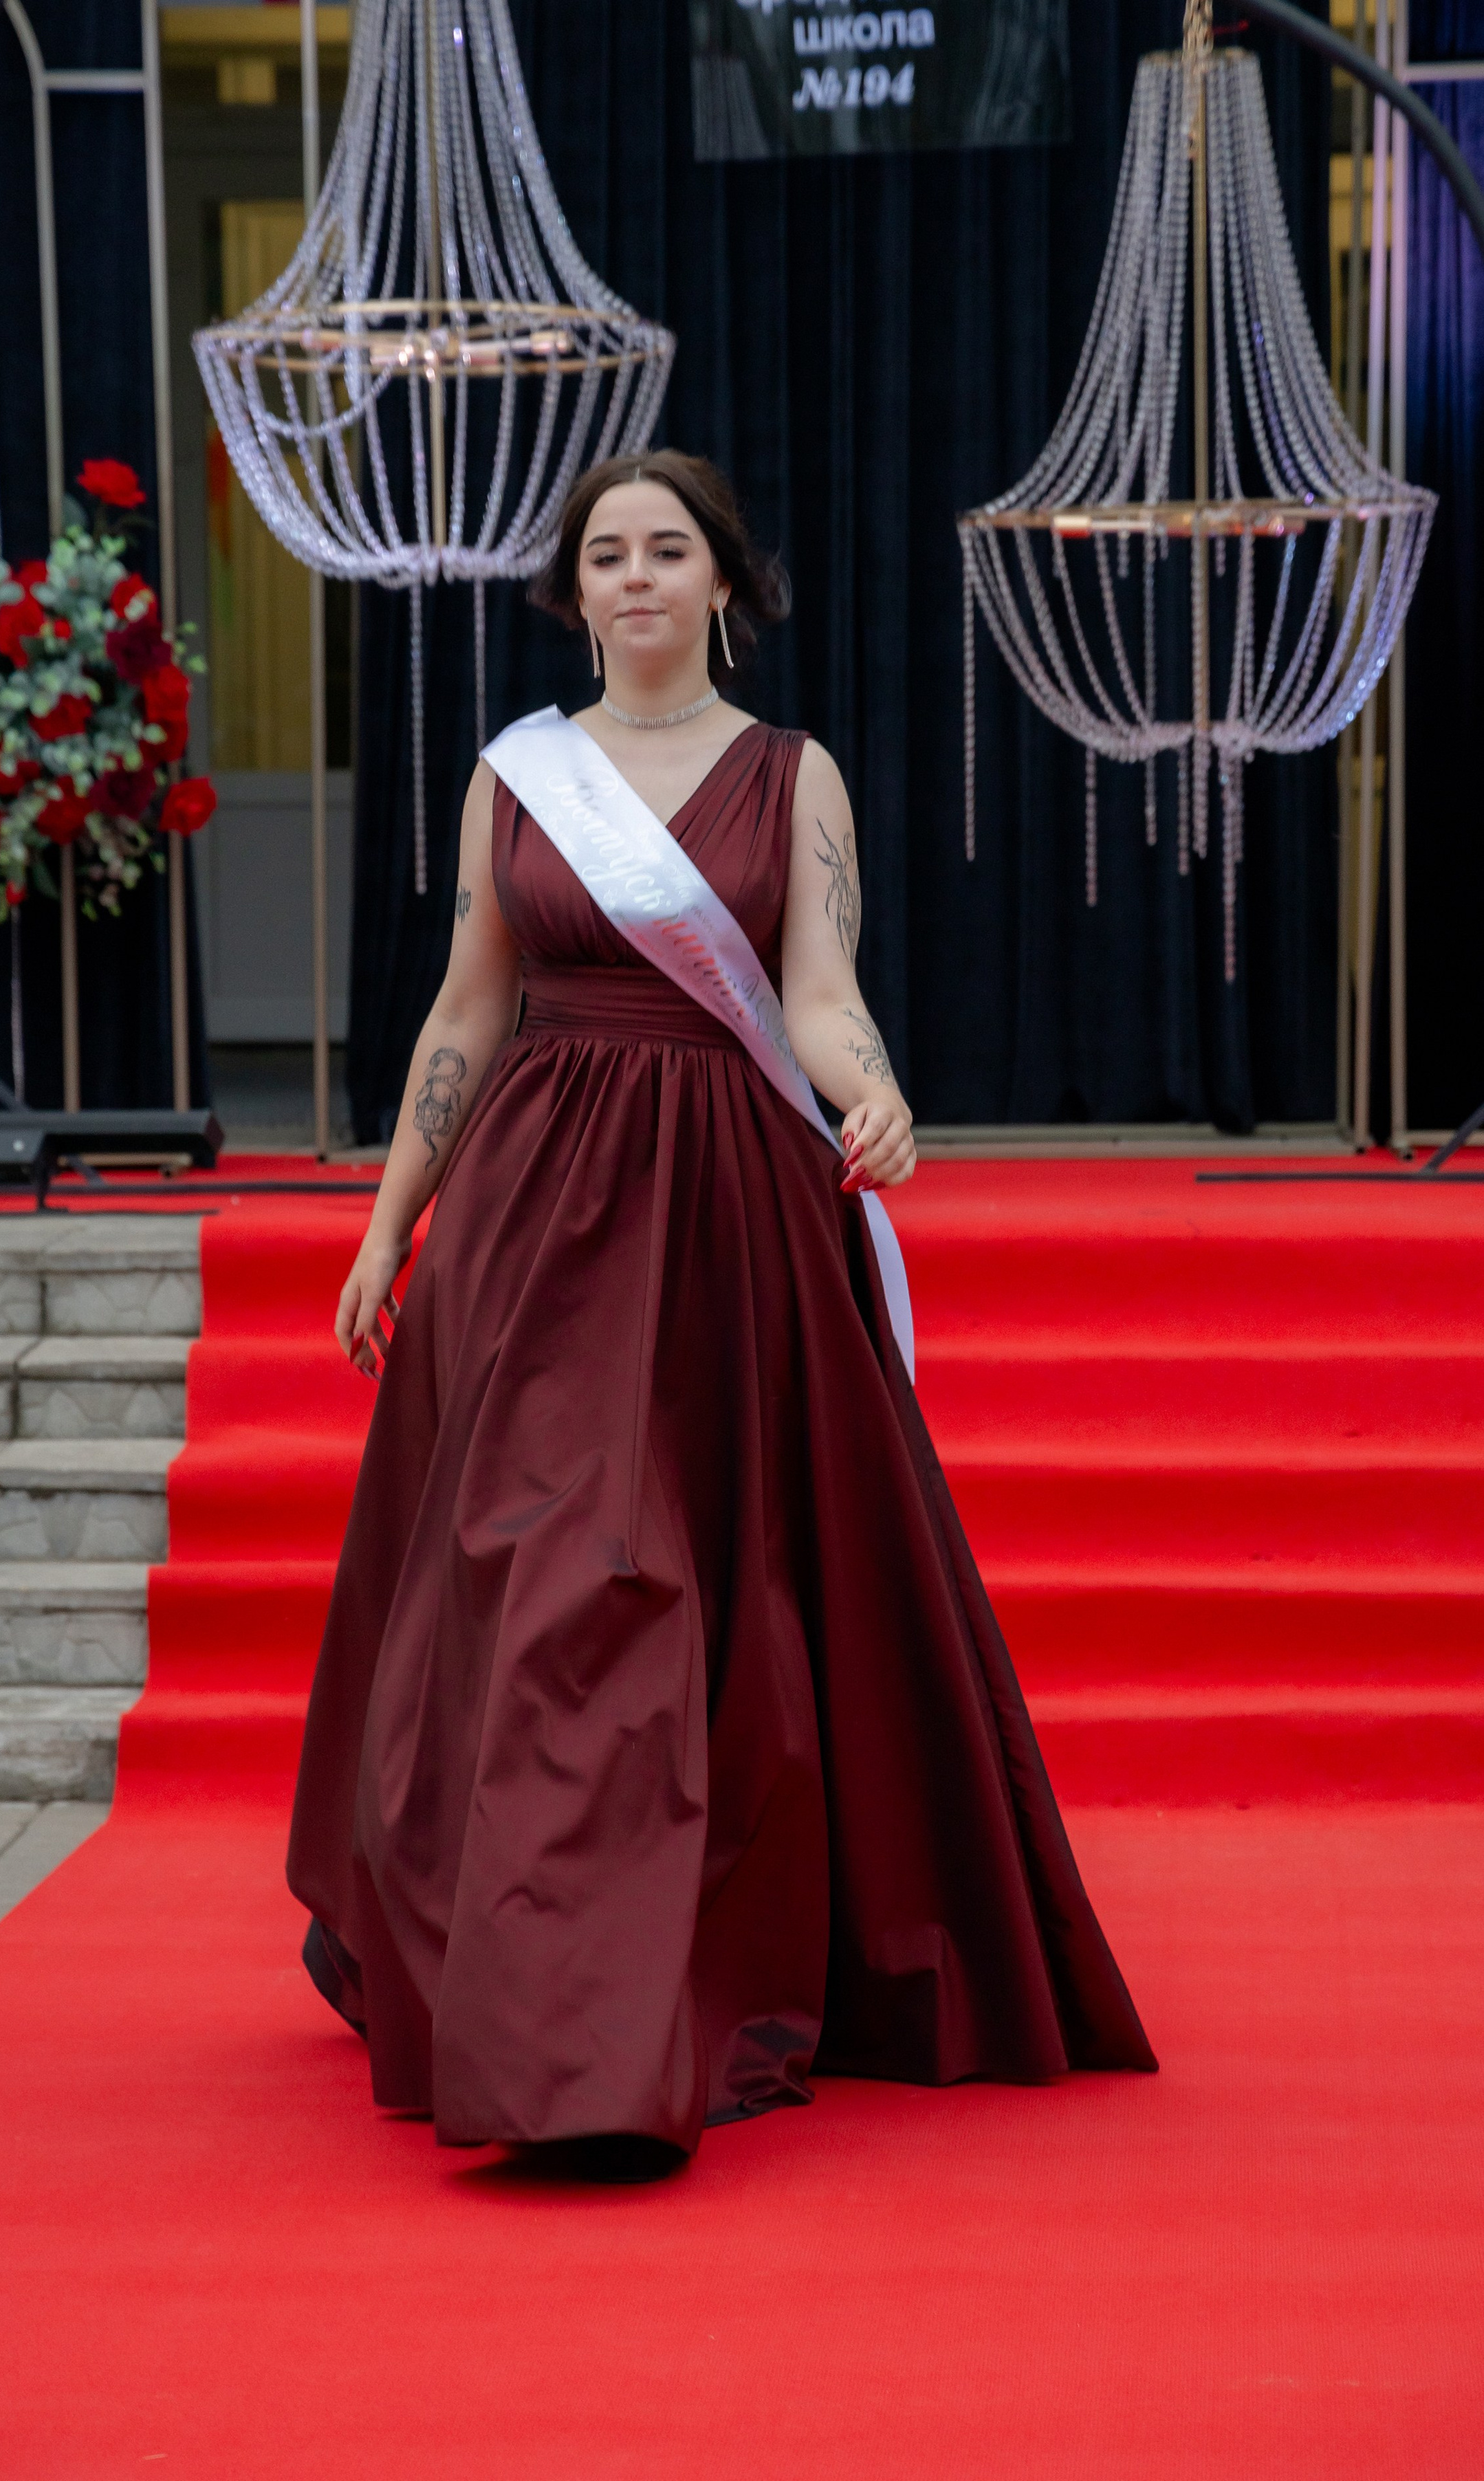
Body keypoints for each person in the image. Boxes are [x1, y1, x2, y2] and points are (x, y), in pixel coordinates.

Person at [287, 450, 1154, 2169]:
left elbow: (816, 995)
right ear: (574, 592)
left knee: (710, 1594)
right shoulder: (517, 779)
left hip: (731, 1222)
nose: (631, 578)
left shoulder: (792, 776)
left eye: (663, 549)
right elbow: (467, 1008)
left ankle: (652, 1991)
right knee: (561, 1576)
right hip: (535, 1227)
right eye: (602, 554)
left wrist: (875, 1093)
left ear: (720, 583)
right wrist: (390, 1227)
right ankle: (567, 2045)